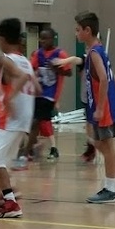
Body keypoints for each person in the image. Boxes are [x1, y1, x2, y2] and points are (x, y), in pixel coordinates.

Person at [71, 11, 115, 203]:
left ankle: (110, 189)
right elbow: (111, 76)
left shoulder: (94, 53)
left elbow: (106, 79)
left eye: (78, 30)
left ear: (87, 31)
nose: (76, 33)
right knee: (100, 144)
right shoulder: (98, 50)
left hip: (103, 108)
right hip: (105, 106)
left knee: (106, 147)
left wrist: (99, 108)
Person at [0, 18, 39, 219]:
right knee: (0, 161)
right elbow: (37, 88)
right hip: (23, 121)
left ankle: (10, 202)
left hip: (10, 119)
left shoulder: (9, 61)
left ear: (1, 39)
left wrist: (9, 98)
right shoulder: (26, 62)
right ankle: (7, 194)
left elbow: (22, 80)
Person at [23, 28, 72, 163]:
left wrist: (56, 68)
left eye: (45, 38)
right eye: (41, 39)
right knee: (37, 122)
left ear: (52, 39)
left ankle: (26, 152)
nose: (42, 41)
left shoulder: (60, 54)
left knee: (37, 121)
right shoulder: (38, 54)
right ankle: (41, 147)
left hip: (50, 95)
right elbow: (30, 70)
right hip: (37, 93)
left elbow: (69, 73)